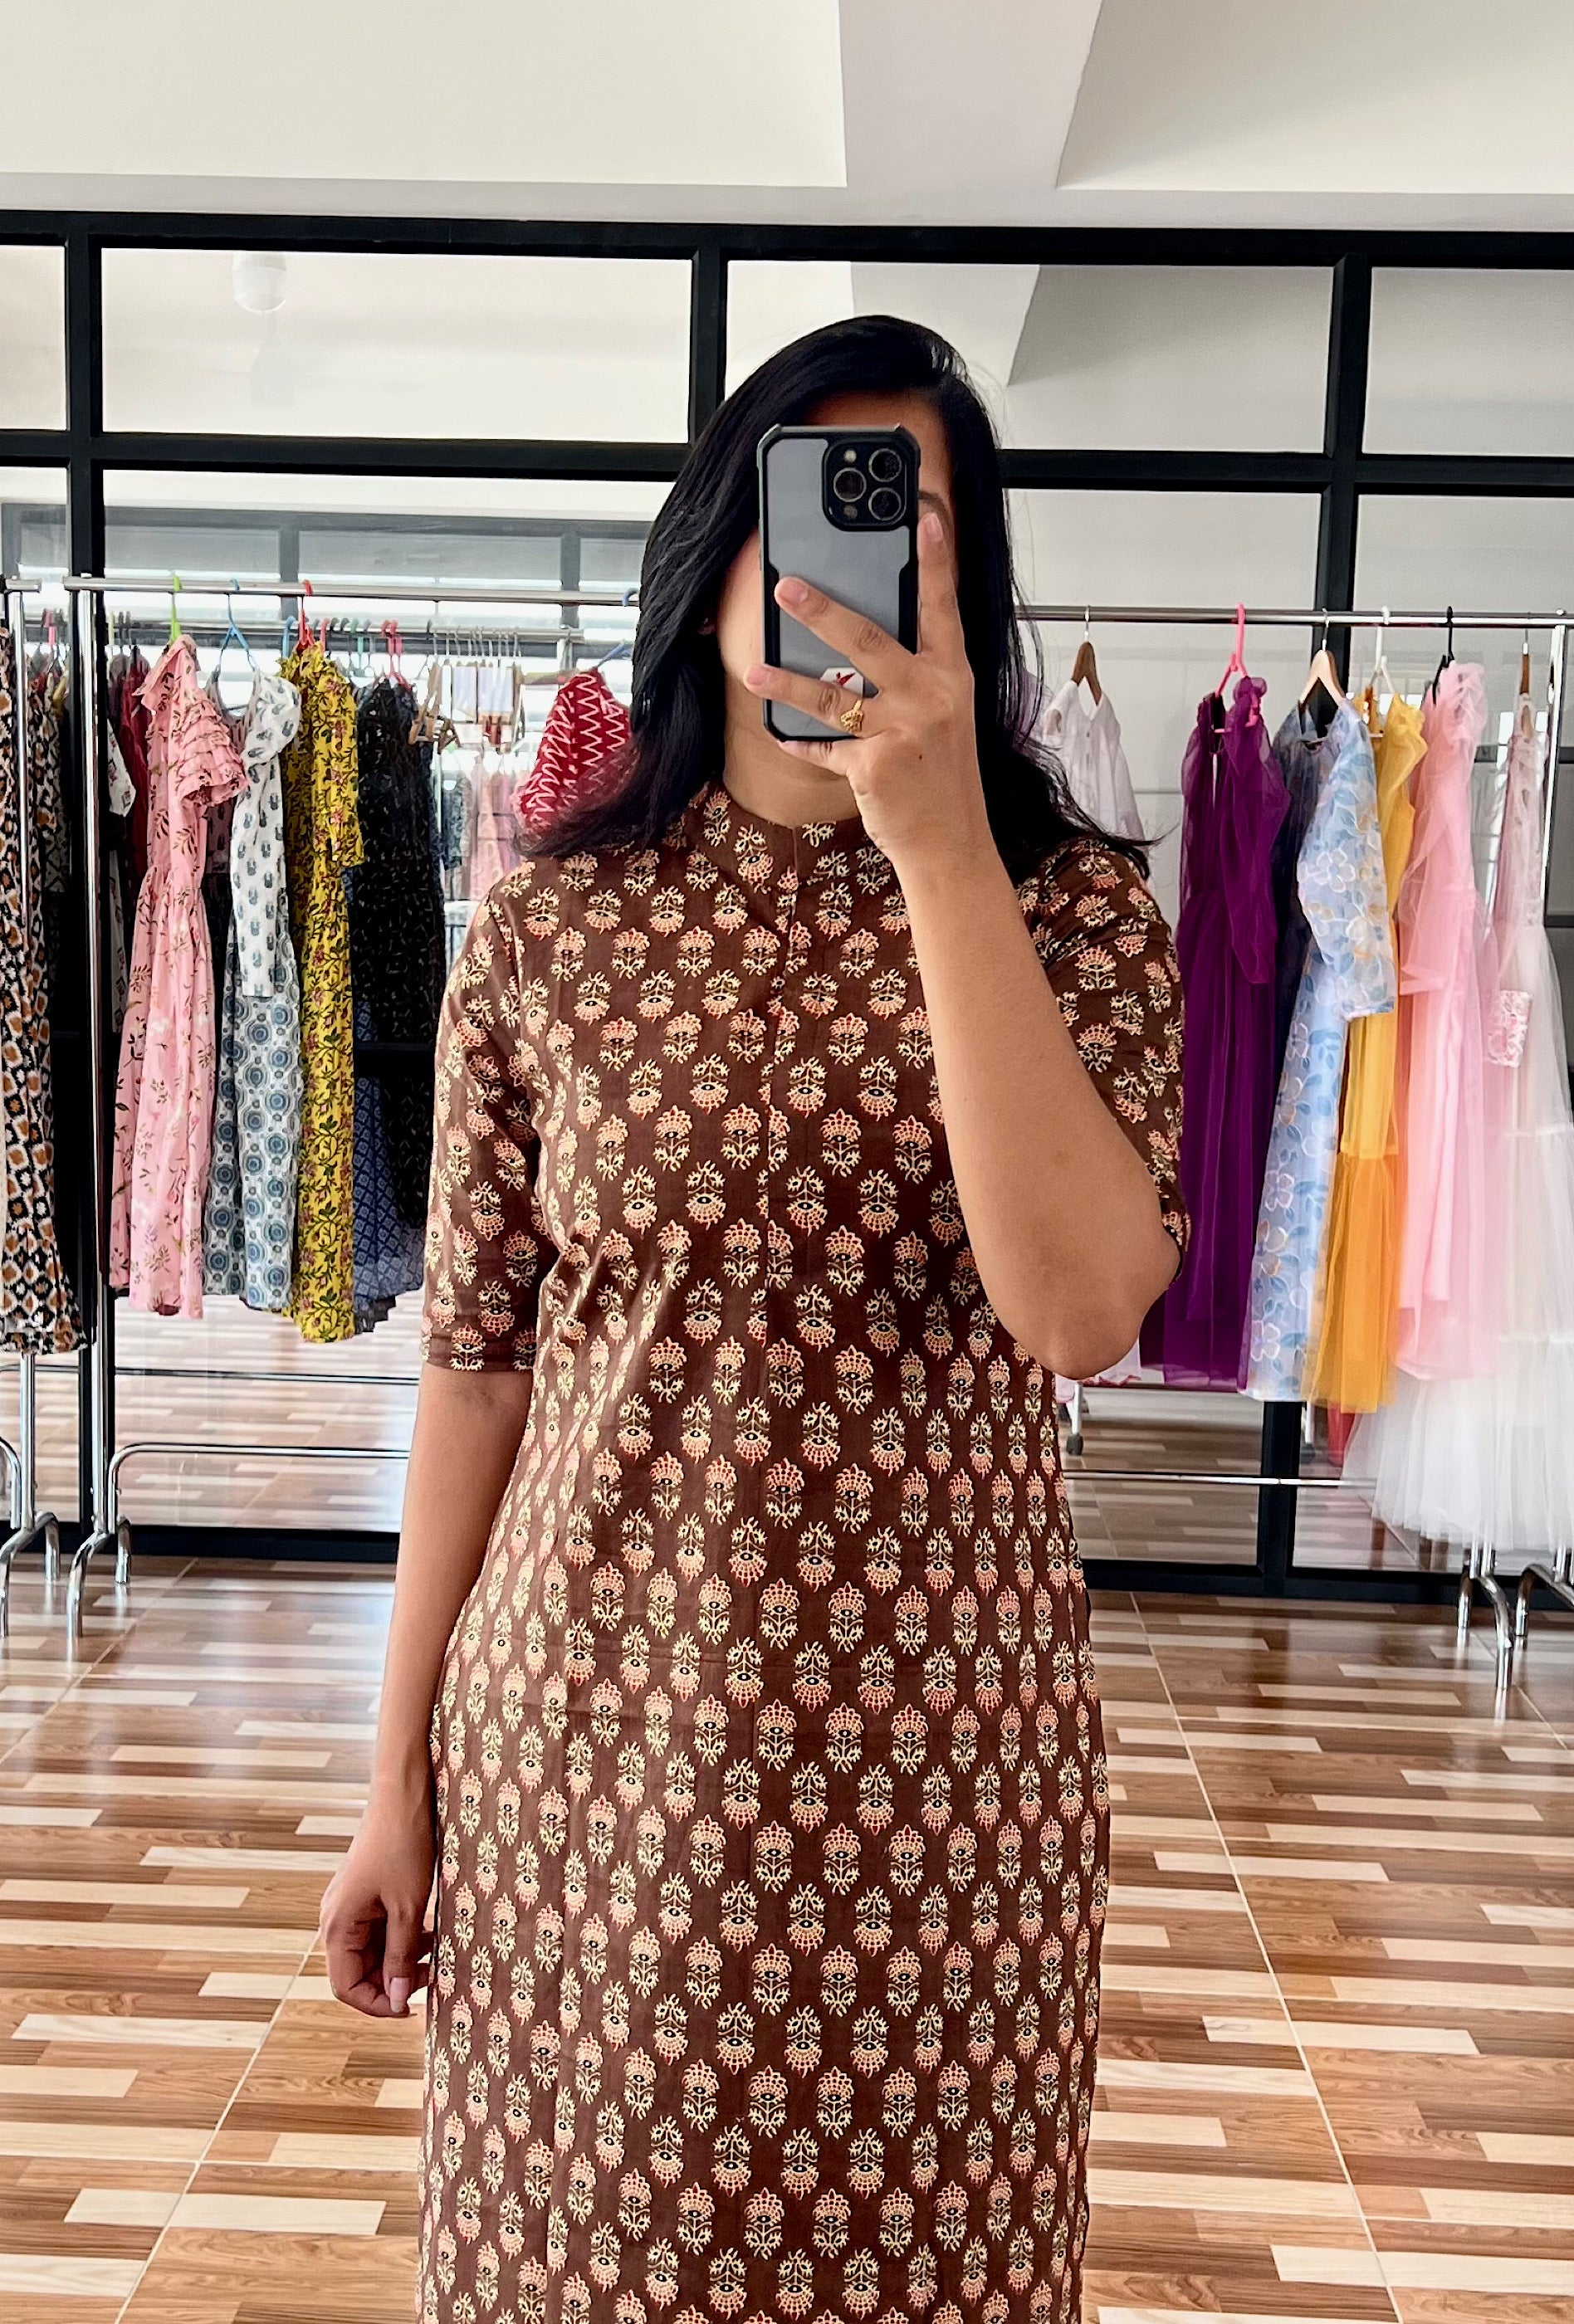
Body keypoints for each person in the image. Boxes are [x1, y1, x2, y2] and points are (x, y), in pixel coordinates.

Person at [321, 315, 1186, 2324]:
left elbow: (1075, 1308)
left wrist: (939, 842)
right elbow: (475, 1372)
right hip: (582, 1766)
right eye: (811, 509)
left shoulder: (1072, 917)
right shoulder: (548, 924)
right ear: (713, 546)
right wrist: (394, 1779)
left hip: (940, 1795)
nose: (841, 574)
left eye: (909, 527)